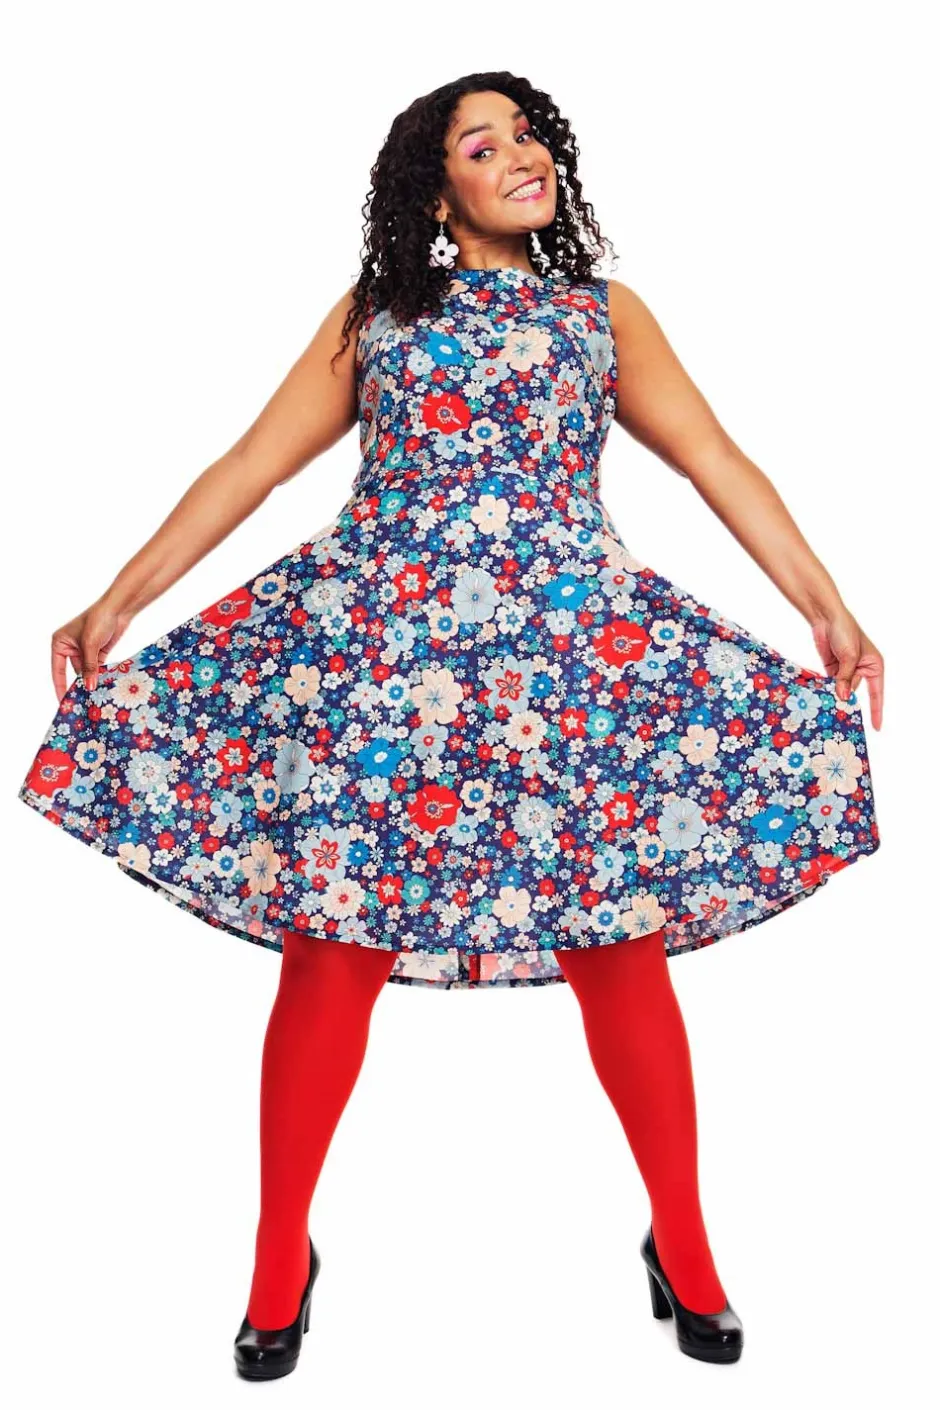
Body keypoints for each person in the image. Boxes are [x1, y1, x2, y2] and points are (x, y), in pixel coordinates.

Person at [17, 73, 883, 1378]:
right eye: (485, 145)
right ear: (437, 191)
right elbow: (251, 465)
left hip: (564, 676)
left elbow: (716, 459)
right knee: (332, 951)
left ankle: (686, 1242)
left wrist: (829, 609)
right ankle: (277, 1254)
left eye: (529, 135)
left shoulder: (601, 314)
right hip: (381, 672)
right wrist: (114, 602)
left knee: (619, 948)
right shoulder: (379, 316)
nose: (521, 156)